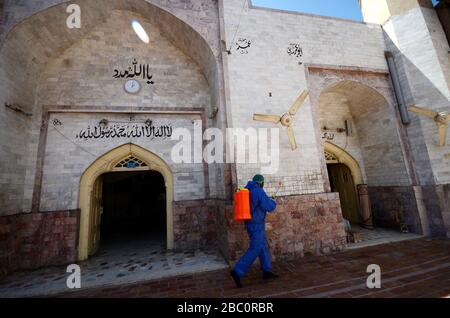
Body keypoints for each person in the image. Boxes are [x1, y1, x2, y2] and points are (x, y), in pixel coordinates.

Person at [230, 174, 278, 288]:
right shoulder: (258, 191)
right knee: (256, 247)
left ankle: (266, 270)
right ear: (261, 182)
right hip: (256, 223)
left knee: (262, 246)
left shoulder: (248, 189)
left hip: (251, 222)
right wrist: (273, 201)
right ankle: (238, 271)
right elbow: (269, 206)